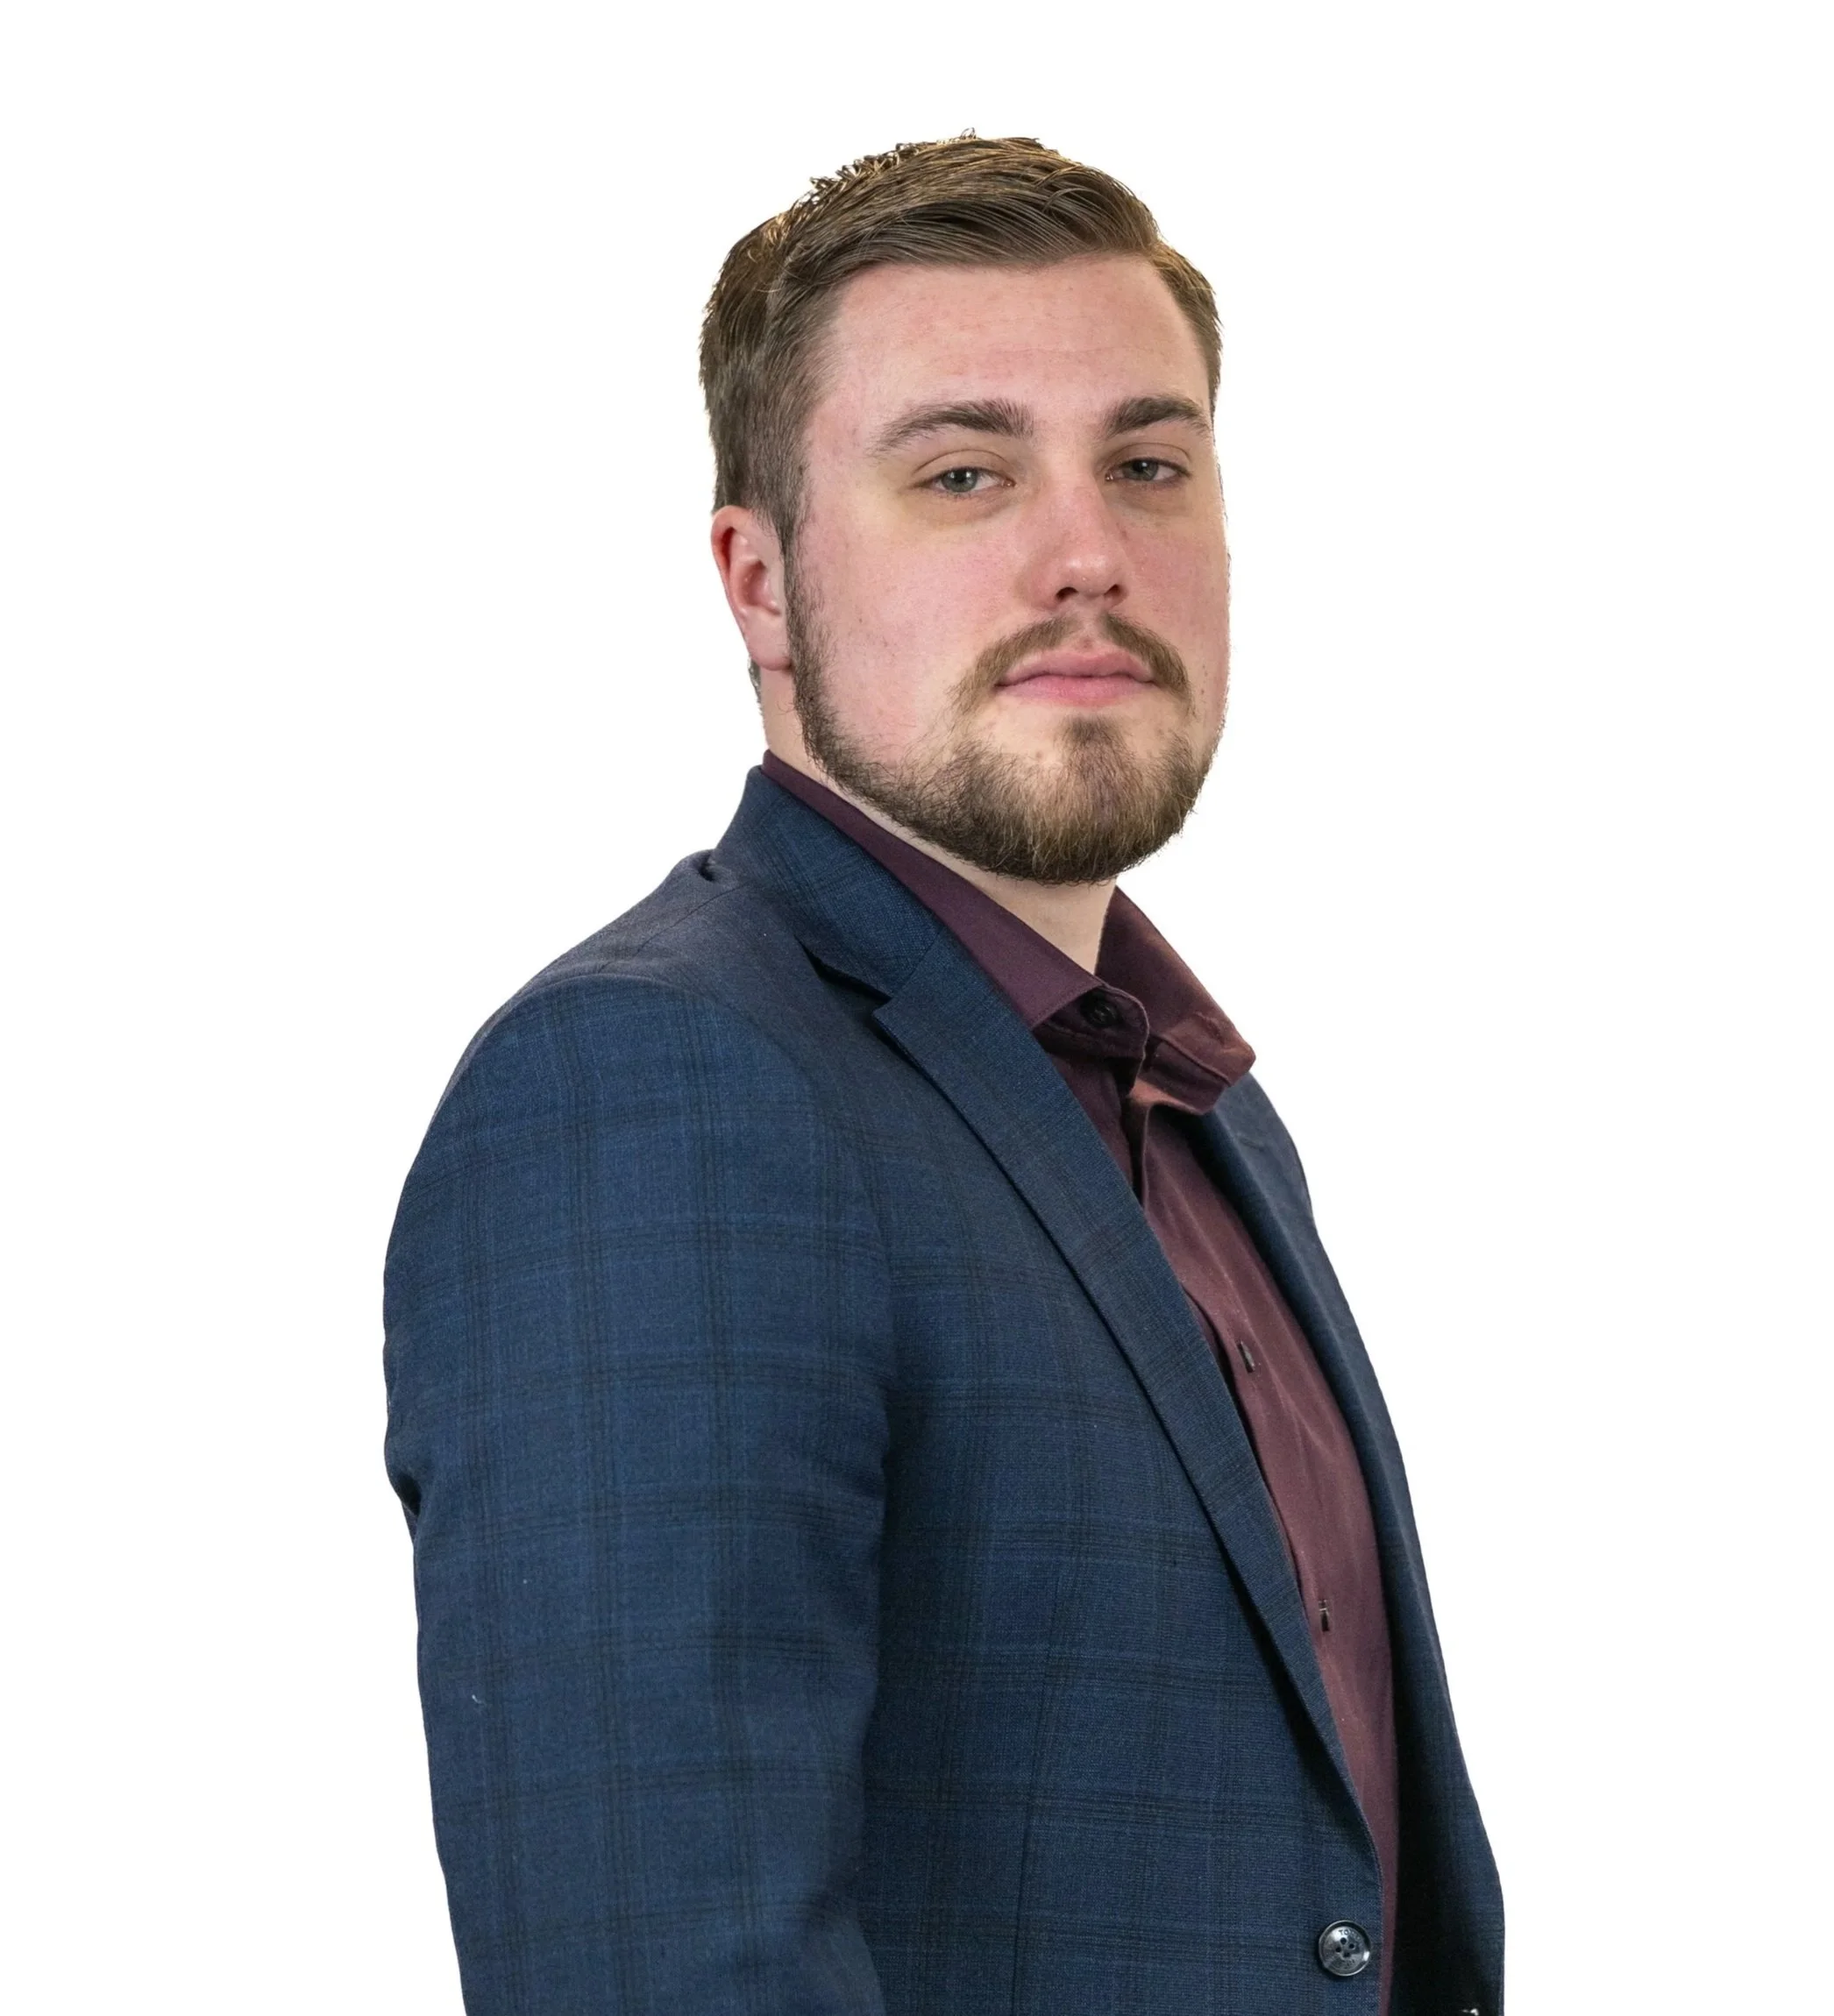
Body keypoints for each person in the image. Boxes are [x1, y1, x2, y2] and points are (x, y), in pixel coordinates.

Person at [384, 135, 1501, 2016]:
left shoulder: (1201, 1117)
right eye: (963, 473)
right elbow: (659, 1973)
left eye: (1148, 464)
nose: (1085, 551)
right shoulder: (659, 1086)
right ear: (759, 579)